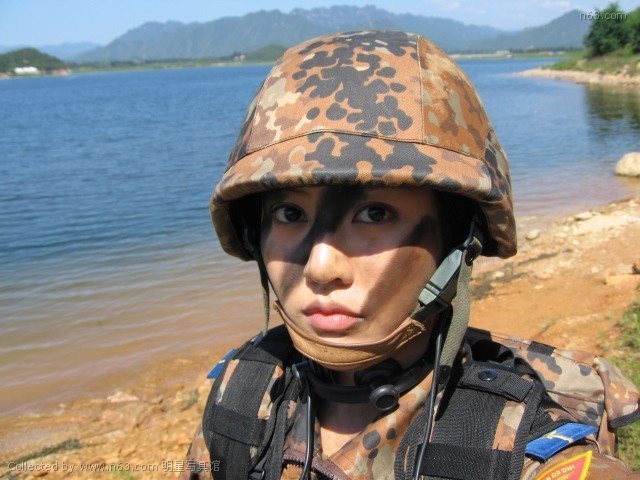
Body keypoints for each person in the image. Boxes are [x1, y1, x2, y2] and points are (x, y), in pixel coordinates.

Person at [180, 30, 640, 479]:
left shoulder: (516, 448)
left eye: (375, 214)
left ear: (458, 240)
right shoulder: (242, 397)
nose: (321, 268)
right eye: (289, 213)